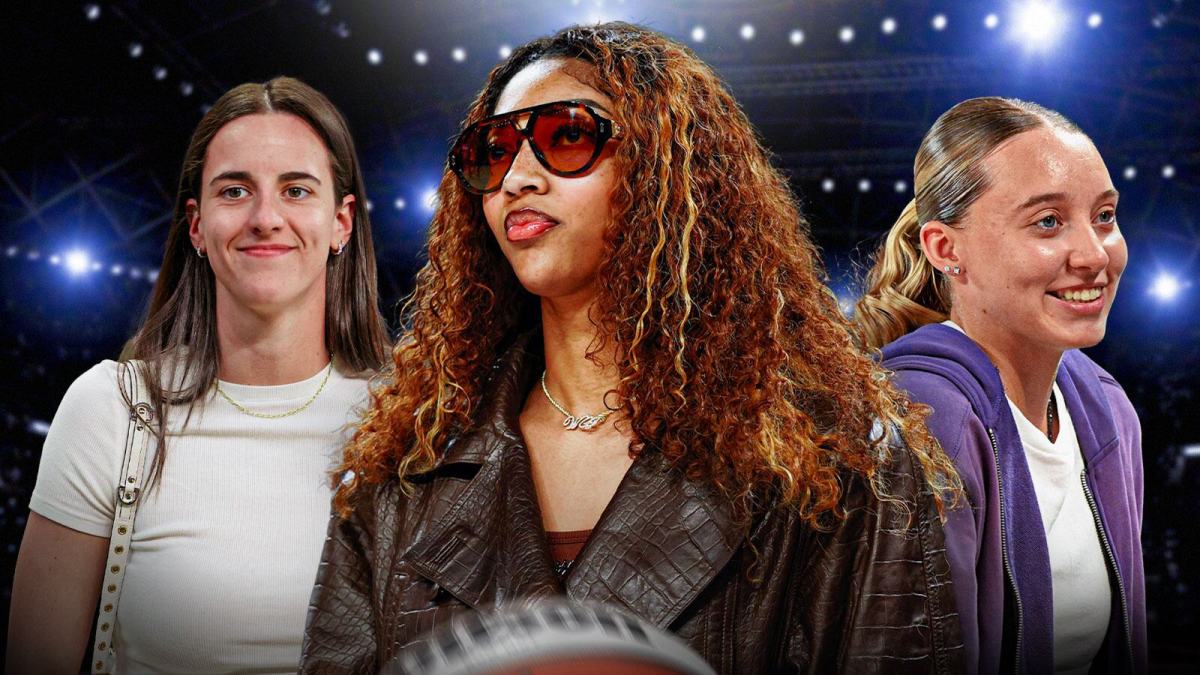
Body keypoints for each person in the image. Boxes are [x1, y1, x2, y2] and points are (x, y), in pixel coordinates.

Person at [301, 22, 963, 674]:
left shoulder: (840, 457)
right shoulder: (399, 471)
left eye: (567, 137)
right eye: (493, 150)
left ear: (667, 172)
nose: (517, 177)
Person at [7, 76, 391, 673]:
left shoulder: (407, 415)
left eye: (296, 190)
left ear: (341, 222)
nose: (266, 217)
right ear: (196, 226)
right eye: (235, 191)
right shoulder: (111, 410)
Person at [855, 97, 1146, 674]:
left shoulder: (1108, 407)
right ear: (946, 249)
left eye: (1105, 216)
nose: (1094, 255)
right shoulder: (921, 418)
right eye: (1047, 222)